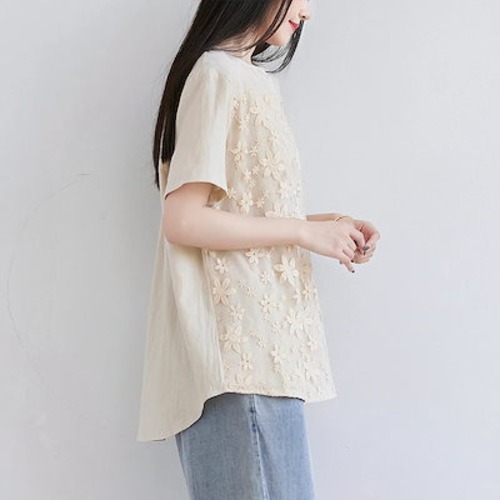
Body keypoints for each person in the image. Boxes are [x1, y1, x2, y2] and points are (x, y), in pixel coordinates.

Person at [136, 0, 380, 498]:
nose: (307, 12)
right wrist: (303, 233)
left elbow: (242, 210)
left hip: (265, 353)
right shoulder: (215, 74)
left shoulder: (249, 80)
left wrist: (328, 227)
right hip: (238, 354)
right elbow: (183, 220)